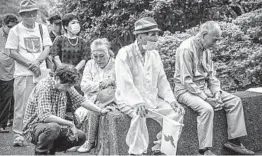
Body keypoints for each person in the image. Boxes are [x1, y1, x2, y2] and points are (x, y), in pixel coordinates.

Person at [174, 21, 254, 155]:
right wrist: (206, 98)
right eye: (214, 40)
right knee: (207, 109)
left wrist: (216, 93)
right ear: (204, 34)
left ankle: (234, 142)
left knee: (234, 101)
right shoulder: (186, 49)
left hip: (205, 88)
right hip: (184, 90)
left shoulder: (206, 51)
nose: (215, 44)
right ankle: (204, 150)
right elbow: (186, 81)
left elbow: (212, 76)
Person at [115, 17, 184, 155]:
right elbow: (125, 82)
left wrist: (171, 100)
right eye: (153, 35)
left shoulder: (155, 55)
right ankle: (136, 152)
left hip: (151, 98)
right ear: (140, 37)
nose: (157, 38)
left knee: (177, 112)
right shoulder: (125, 53)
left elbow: (162, 81)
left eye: (157, 34)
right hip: (128, 99)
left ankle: (162, 149)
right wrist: (137, 102)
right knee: (139, 114)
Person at [22, 65, 112, 155]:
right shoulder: (44, 87)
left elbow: (81, 100)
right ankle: (41, 153)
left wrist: (100, 110)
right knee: (53, 128)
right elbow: (45, 116)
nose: (69, 89)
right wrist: (70, 123)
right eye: (67, 86)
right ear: (57, 78)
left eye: (70, 86)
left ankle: (50, 151)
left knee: (80, 137)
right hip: (34, 128)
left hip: (54, 127)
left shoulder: (65, 85)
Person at [5, 0, 52, 146]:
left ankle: (39, 133)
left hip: (41, 72)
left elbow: (47, 48)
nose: (31, 16)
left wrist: (37, 62)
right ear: (22, 15)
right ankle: (19, 135)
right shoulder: (15, 30)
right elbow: (11, 51)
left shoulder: (42, 28)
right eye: (27, 14)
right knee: (22, 105)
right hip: (23, 73)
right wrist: (30, 65)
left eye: (33, 13)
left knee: (43, 103)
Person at [73, 38, 116, 153]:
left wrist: (99, 87)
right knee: (77, 115)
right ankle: (76, 141)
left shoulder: (116, 65)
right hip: (90, 99)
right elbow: (84, 86)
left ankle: (90, 142)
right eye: (95, 56)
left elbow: (117, 86)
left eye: (102, 56)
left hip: (109, 100)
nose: (98, 59)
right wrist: (101, 84)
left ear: (108, 52)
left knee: (94, 111)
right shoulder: (90, 64)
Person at [0, 13, 19, 133]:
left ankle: (2, 124)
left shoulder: (17, 36)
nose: (11, 29)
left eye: (14, 27)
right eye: (9, 26)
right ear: (3, 25)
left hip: (9, 72)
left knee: (6, 99)